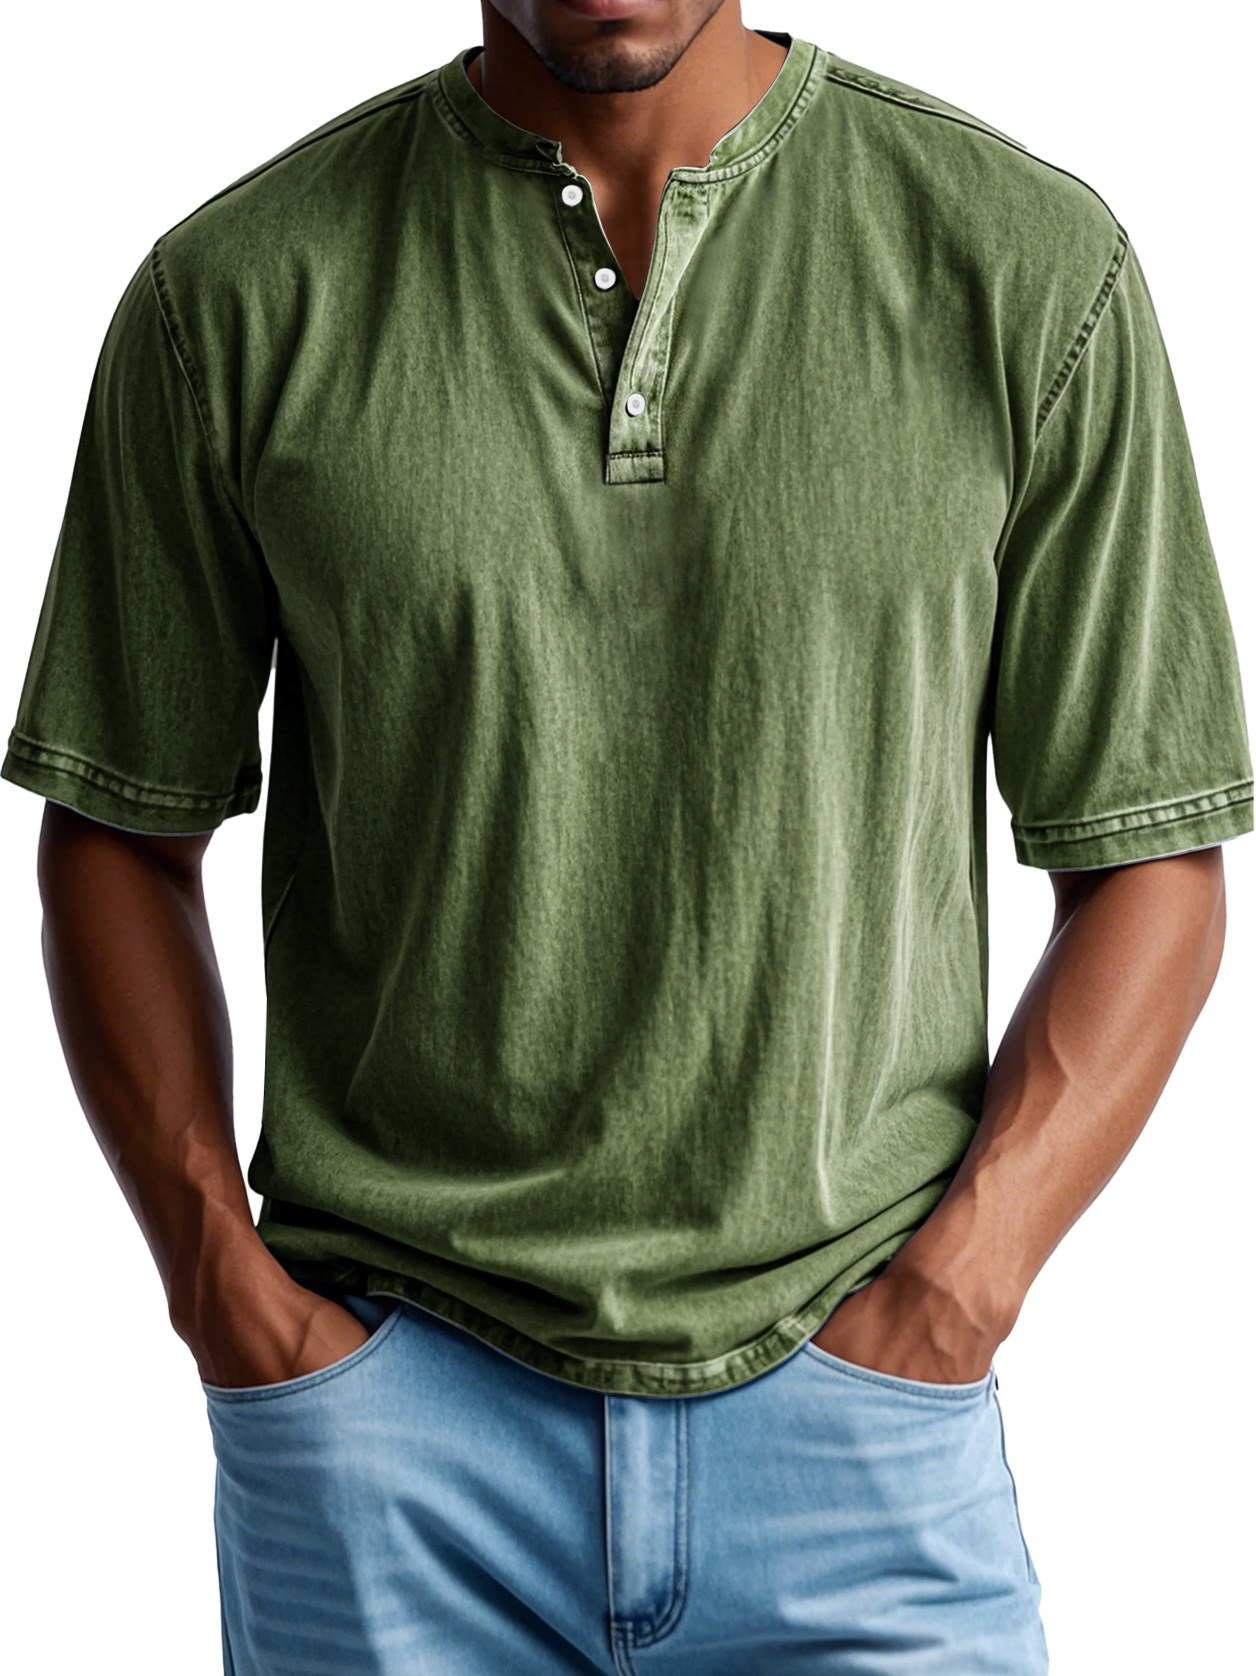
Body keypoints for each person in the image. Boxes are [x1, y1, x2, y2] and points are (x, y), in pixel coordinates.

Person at [3, 1, 1251, 1670]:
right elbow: (118, 825)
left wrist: (966, 1281)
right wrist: (217, 1286)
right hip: (392, 1437)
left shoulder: (1027, 265)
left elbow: (1150, 853)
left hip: (858, 1433)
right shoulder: (234, 291)